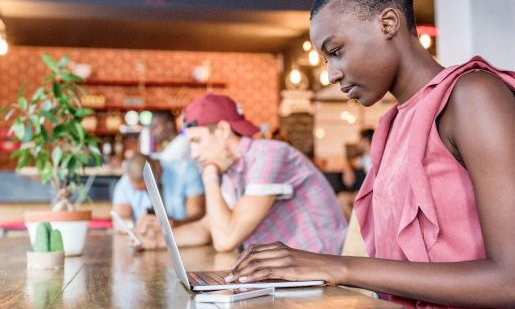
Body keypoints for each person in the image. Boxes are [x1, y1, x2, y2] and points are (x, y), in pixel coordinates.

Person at [226, 0, 515, 309]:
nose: (329, 73)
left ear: (388, 23)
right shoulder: (393, 125)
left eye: (336, 51)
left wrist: (335, 268)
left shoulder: (474, 95)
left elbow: (514, 281)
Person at [134, 93, 348, 255]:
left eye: (197, 141)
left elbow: (225, 239)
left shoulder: (269, 155)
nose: (194, 152)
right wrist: (157, 242)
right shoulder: (234, 169)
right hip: (291, 275)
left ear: (223, 130)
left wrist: (209, 171)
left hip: (325, 276)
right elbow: (206, 228)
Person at [112, 153, 205, 234]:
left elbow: (198, 215)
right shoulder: (125, 183)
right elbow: (119, 221)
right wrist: (135, 224)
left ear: (158, 167)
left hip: (183, 238)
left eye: (149, 187)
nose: (147, 192)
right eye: (141, 190)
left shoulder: (186, 172)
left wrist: (174, 224)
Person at [338, 128, 374, 220]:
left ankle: (358, 227)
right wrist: (348, 169)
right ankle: (356, 227)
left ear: (365, 141)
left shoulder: (378, 156)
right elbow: (350, 162)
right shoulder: (365, 158)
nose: (357, 143)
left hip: (375, 193)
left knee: (344, 199)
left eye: (359, 140)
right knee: (342, 198)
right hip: (367, 192)